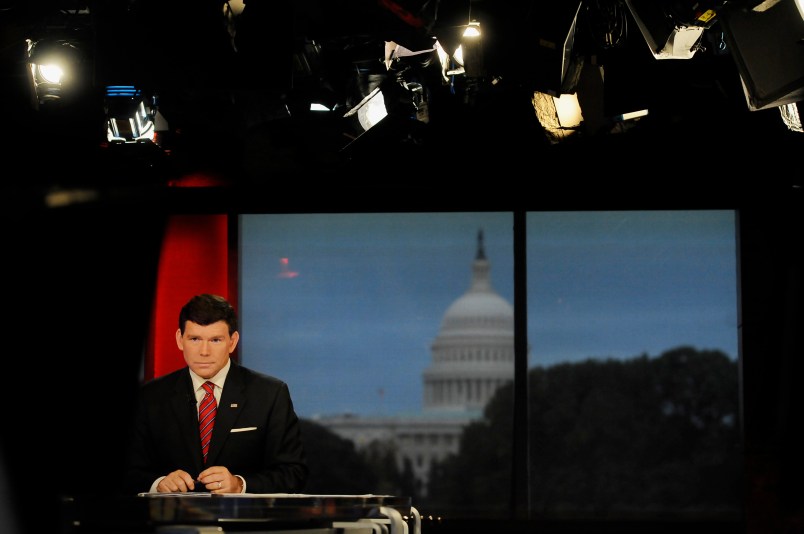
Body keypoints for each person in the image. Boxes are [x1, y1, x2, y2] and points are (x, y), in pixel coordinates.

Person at [123, 293, 308, 494]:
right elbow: (127, 472)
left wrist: (240, 485)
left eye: (215, 340)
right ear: (179, 339)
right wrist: (158, 483)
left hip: (243, 522)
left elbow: (293, 473)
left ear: (232, 341)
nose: (204, 351)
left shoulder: (270, 394)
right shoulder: (150, 396)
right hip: (174, 522)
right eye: (194, 339)